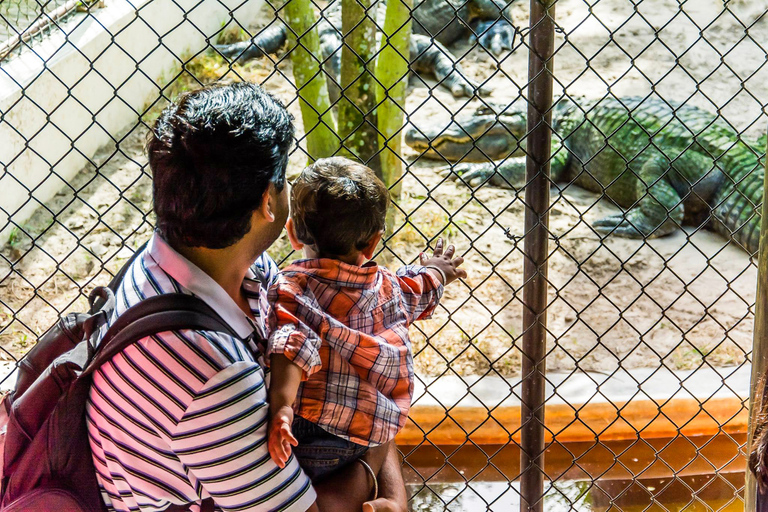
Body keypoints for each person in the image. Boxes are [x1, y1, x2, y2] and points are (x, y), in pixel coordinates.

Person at [85, 82, 406, 512]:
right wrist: (380, 476)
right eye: (287, 179)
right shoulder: (208, 372)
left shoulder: (231, 270)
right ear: (266, 204)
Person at [265, 158, 466, 485]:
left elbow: (291, 343)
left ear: (292, 234)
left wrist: (283, 407)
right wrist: (438, 270)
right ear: (374, 241)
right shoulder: (389, 288)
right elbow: (422, 288)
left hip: (309, 430)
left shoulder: (292, 286)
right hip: (368, 435)